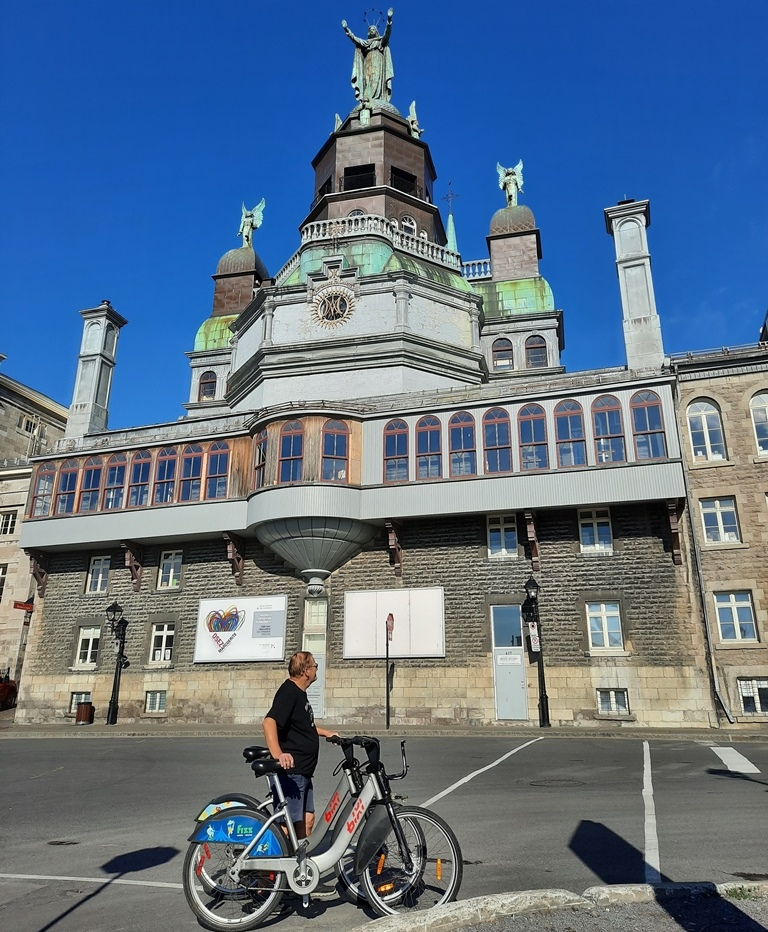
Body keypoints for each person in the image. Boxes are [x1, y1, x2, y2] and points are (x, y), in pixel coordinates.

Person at [263, 651, 338, 839]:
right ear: (306, 671)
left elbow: (303, 726)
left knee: (307, 821)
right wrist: (278, 754)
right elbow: (269, 722)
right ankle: (274, 858)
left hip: (303, 771)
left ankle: (299, 858)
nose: (316, 670)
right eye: (314, 666)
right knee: (286, 825)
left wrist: (326, 733)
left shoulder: (299, 693)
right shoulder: (289, 692)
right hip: (292, 773)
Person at [341, 9, 394, 105]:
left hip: (378, 61)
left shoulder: (380, 41)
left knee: (377, 80)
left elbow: (387, 34)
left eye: (373, 29)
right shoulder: (365, 43)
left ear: (376, 32)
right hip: (367, 62)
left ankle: (378, 98)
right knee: (367, 80)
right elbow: (355, 39)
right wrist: (346, 29)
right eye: (370, 30)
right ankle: (367, 98)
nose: (372, 31)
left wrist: (389, 19)